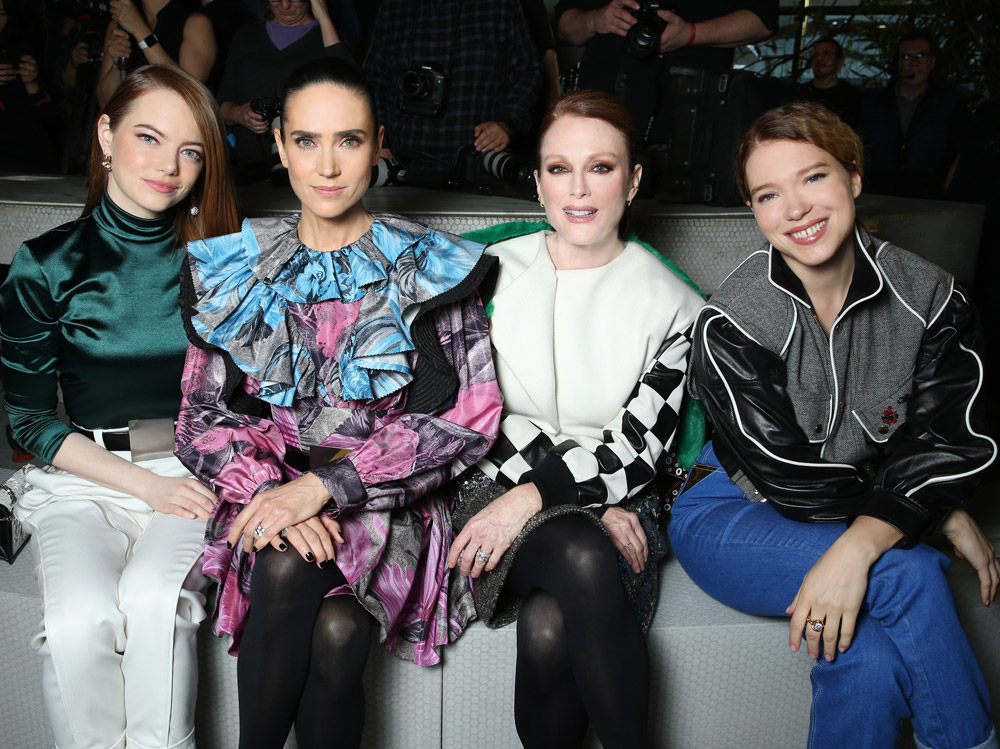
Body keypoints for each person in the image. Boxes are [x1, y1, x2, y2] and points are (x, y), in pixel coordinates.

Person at [174, 57, 502, 748]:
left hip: (389, 502)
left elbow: (466, 417)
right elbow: (200, 418)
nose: (327, 165)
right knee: (334, 625)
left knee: (301, 586)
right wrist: (274, 494)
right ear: (279, 144)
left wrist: (325, 487)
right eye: (306, 140)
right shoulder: (234, 266)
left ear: (378, 143)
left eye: (348, 140)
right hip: (269, 496)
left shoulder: (429, 264)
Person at [670, 101, 998, 748]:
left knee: (866, 656)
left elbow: (951, 438)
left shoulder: (933, 297)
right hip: (732, 510)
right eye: (769, 194)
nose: (795, 208)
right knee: (908, 572)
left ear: (853, 174)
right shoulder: (730, 321)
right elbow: (788, 478)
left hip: (851, 508)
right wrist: (925, 514)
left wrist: (867, 536)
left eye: (813, 177)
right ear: (754, 211)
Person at [445, 89, 704, 748]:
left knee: (549, 624)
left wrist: (546, 495)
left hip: (620, 500)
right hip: (490, 490)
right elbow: (476, 418)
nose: (579, 188)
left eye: (601, 167)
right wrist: (557, 496)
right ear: (537, 182)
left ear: (633, 180)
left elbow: (638, 450)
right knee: (582, 550)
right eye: (559, 168)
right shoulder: (483, 275)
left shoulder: (676, 305)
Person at [1, 64, 238, 749]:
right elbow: (29, 421)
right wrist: (144, 487)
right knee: (76, 623)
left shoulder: (223, 263)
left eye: (191, 150)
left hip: (196, 473)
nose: (169, 166)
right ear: (106, 135)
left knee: (155, 603)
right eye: (148, 138)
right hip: (87, 479)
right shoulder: (45, 265)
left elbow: (255, 401)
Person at [362, 0, 541, 182]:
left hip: (475, 167)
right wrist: (379, 142)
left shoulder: (501, 6)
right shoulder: (392, 9)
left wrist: (507, 123)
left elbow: (528, 71)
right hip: (399, 168)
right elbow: (373, 82)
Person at [217, 0, 350, 176]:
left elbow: (350, 93)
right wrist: (238, 114)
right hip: (249, 169)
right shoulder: (246, 37)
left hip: (310, 168)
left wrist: (324, 18)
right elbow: (221, 106)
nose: (285, 5)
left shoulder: (327, 37)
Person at [856, 31, 968, 199]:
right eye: (906, 57)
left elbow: (961, 150)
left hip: (930, 197)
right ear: (897, 63)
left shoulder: (949, 102)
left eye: (921, 56)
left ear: (932, 62)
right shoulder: (872, 102)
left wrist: (947, 189)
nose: (914, 63)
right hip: (878, 194)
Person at [96, 0, 217, 108]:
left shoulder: (195, 23)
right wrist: (117, 66)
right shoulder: (120, 22)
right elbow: (105, 102)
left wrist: (139, 30)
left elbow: (188, 95)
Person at [799, 36, 859, 127]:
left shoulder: (852, 97)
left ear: (840, 62)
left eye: (826, 54)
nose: (819, 58)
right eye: (815, 55)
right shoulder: (800, 93)